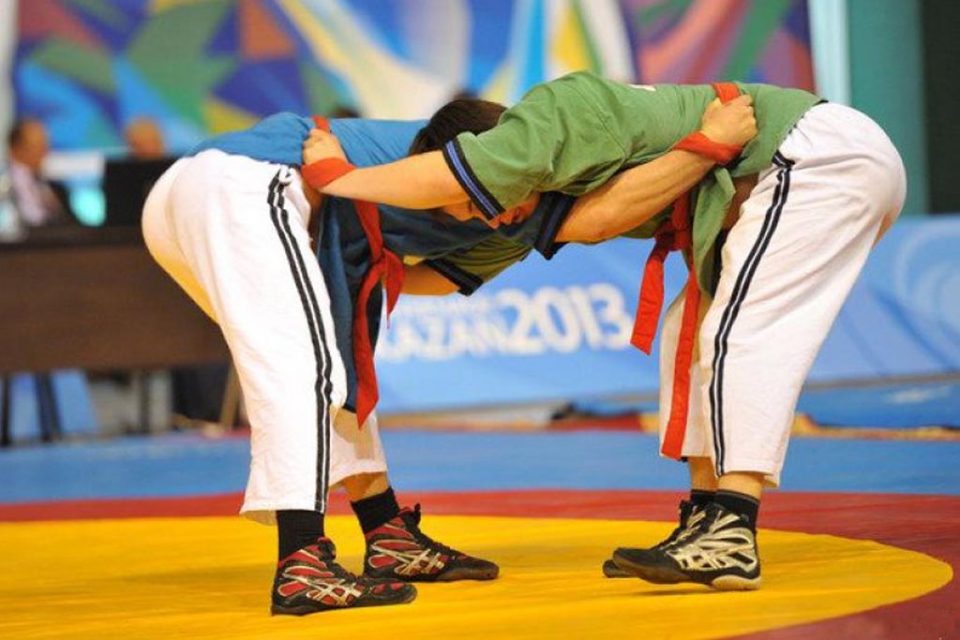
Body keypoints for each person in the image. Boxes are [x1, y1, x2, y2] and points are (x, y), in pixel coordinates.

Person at [302, 71, 907, 591]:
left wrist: (336, 175)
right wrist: (370, 267)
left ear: (492, 153)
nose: (484, 218)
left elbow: (472, 185)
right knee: (689, 330)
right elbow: (449, 274)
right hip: (789, 177)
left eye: (472, 200)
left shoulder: (551, 116)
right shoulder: (538, 197)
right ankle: (708, 517)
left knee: (740, 327)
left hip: (816, 159)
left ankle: (732, 525)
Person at [7, 118, 73, 228]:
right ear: (14, 148)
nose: (44, 153)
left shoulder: (54, 186)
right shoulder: (5, 184)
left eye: (44, 145)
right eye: (36, 146)